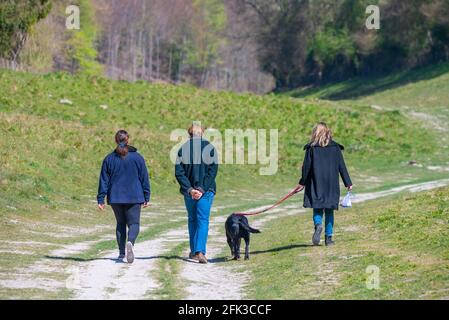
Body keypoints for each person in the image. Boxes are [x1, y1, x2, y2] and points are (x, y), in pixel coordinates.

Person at [97, 130, 150, 263]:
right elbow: (144, 178)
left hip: (115, 197)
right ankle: (130, 243)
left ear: (116, 140)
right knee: (134, 223)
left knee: (120, 224)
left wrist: (100, 198)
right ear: (128, 140)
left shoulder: (109, 158)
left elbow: (103, 180)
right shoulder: (137, 157)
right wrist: (146, 196)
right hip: (134, 196)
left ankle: (121, 253)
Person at [298, 122, 352, 246]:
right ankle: (328, 239)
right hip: (331, 185)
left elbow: (306, 168)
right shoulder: (335, 148)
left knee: (317, 208)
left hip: (316, 183)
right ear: (328, 132)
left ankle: (318, 225)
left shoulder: (311, 148)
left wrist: (302, 183)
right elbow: (341, 166)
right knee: (329, 211)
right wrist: (348, 182)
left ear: (315, 133)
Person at [175, 123, 218, 264]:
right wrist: (201, 189)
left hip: (190, 193)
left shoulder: (182, 149)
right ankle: (200, 251)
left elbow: (179, 173)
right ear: (202, 133)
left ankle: (194, 251)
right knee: (202, 220)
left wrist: (190, 189)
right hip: (205, 191)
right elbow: (213, 171)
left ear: (189, 134)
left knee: (192, 219)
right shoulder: (210, 148)